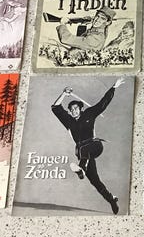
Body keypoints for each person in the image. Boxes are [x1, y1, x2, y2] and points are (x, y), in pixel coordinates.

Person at [51, 78, 124, 214]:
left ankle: (82, 169)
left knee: (85, 150)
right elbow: (55, 107)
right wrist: (64, 94)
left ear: (81, 108)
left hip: (94, 145)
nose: (73, 111)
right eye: (71, 110)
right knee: (95, 180)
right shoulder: (69, 121)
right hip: (83, 153)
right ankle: (111, 199)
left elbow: (103, 103)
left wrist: (114, 87)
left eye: (76, 108)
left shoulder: (89, 113)